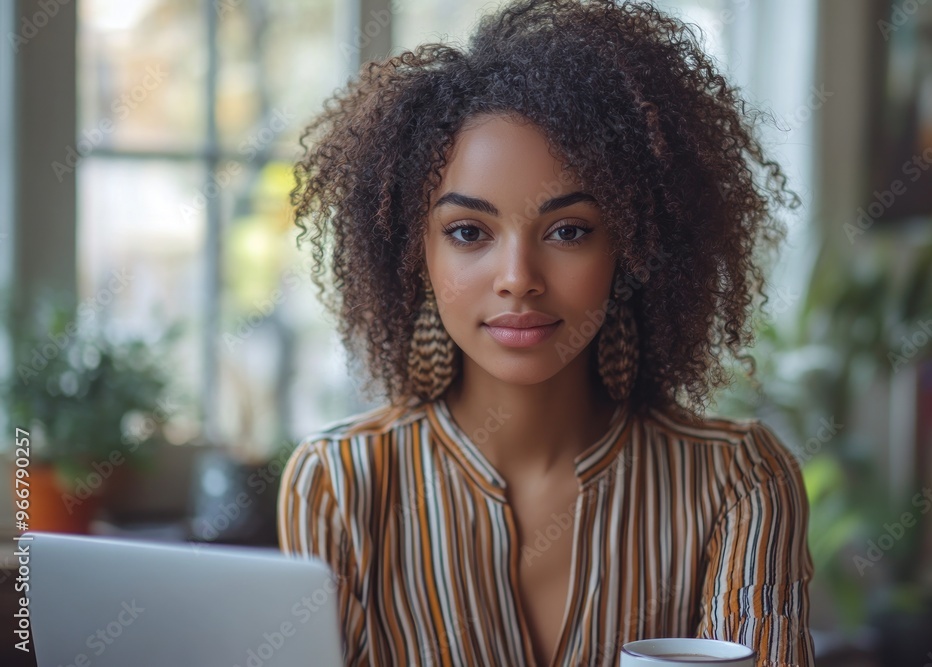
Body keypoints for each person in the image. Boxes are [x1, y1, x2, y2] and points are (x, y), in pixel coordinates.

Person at [277, 1, 815, 665]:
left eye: (569, 231)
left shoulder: (737, 480)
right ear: (415, 257)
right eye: (469, 232)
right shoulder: (341, 483)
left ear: (632, 249)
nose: (518, 277)